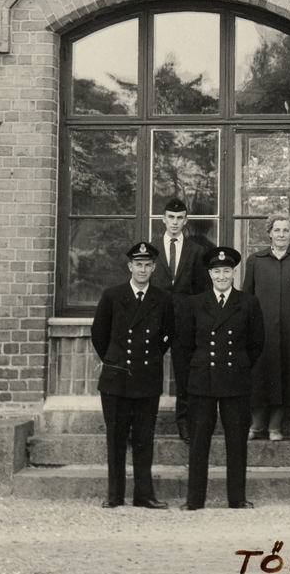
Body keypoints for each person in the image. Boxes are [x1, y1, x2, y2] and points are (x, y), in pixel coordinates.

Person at [176, 247, 265, 510]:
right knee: (199, 441)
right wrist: (199, 367)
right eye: (217, 271)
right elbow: (185, 345)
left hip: (235, 380)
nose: (222, 276)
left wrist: (239, 365)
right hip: (203, 380)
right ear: (210, 273)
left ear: (234, 273)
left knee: (236, 442)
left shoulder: (248, 303)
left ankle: (236, 498)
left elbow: (256, 344)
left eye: (227, 271)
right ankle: (194, 499)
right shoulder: (195, 303)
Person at [89, 241, 174, 509]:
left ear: (154, 268)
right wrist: (115, 361)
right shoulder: (112, 295)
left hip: (147, 377)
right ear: (130, 266)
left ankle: (144, 495)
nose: (143, 269)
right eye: (138, 264)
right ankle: (114, 495)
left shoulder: (162, 298)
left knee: (144, 438)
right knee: (115, 438)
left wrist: (145, 360)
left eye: (148, 265)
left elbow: (166, 337)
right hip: (116, 378)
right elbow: (99, 335)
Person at [242, 214, 290, 441]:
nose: (281, 235)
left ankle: (275, 425)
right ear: (269, 233)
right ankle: (257, 424)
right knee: (260, 375)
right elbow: (247, 296)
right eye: (277, 230)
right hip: (261, 330)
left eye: (286, 231)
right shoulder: (256, 260)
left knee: (285, 376)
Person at [150, 196, 209, 443]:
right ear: (163, 219)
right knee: (147, 372)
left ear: (186, 221)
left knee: (185, 375)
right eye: (170, 217)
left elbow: (202, 291)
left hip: (186, 322)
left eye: (179, 218)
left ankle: (184, 423)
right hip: (155, 320)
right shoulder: (151, 249)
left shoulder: (196, 251)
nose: (174, 222)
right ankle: (143, 424)